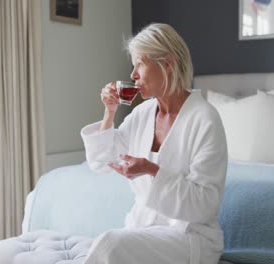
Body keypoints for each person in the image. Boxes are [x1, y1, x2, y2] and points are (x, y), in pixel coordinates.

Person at [80, 23, 228, 264]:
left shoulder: (205, 119)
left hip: (189, 236)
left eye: (140, 63)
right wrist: (109, 113)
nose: (133, 75)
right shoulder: (143, 114)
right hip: (143, 228)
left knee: (110, 244)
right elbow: (102, 164)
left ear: (167, 63)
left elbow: (204, 205)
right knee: (112, 245)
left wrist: (150, 170)